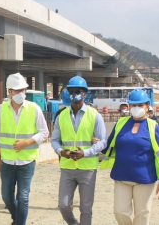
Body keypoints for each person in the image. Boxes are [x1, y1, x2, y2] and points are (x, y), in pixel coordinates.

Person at [101, 89, 159, 225]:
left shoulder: (153, 127)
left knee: (142, 214)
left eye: (140, 105)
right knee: (119, 212)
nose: (136, 108)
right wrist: (97, 143)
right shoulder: (120, 123)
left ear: (147, 107)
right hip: (121, 177)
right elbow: (109, 146)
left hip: (145, 179)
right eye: (133, 105)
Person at [51, 76, 107, 225]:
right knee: (63, 205)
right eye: (72, 91)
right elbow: (54, 140)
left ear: (85, 94)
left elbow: (103, 141)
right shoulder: (61, 116)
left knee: (86, 208)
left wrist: (86, 152)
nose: (74, 93)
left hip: (87, 168)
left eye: (78, 91)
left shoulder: (94, 115)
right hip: (67, 167)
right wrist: (61, 152)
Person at [0, 73, 49, 225]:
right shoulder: (1, 109)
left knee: (23, 197)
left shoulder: (34, 108)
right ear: (9, 91)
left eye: (23, 90)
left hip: (26, 161)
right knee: (6, 196)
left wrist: (26, 142)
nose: (20, 94)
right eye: (17, 91)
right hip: (7, 161)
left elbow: (44, 132)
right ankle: (17, 218)